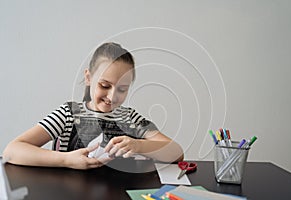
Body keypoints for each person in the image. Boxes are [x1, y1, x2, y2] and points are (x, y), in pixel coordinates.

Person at [3, 42, 184, 170]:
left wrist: (139, 145)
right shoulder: (69, 113)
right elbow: (12, 151)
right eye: (104, 86)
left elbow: (176, 153)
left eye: (122, 89)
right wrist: (66, 160)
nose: (112, 97)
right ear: (89, 78)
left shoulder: (129, 118)